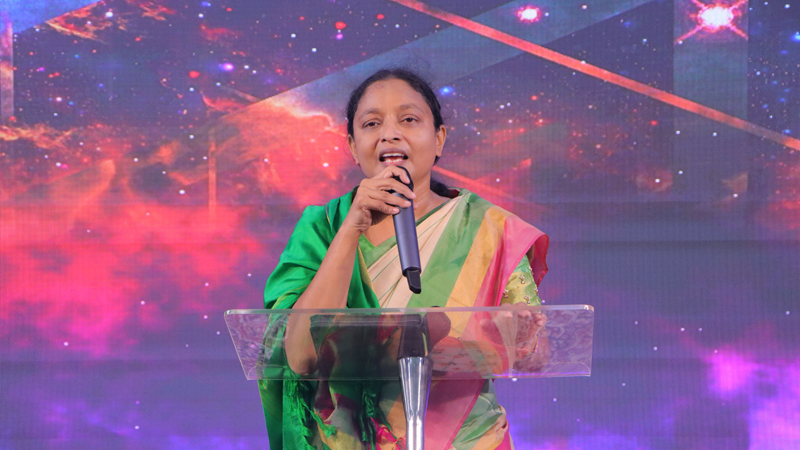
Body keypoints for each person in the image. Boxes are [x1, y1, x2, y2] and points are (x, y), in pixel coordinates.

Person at [258, 68, 550, 450]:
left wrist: (518, 339)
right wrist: (351, 229)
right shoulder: (322, 228)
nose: (390, 133)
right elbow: (299, 357)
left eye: (409, 120)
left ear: (439, 138)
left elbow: (535, 355)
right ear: (353, 146)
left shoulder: (492, 228)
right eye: (372, 123)